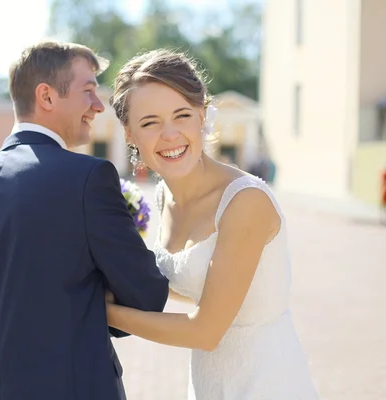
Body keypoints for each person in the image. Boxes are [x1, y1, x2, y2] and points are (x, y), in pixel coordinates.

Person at [0, 41, 169, 400]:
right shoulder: (89, 179)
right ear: (46, 97)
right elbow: (147, 295)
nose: (98, 105)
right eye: (89, 91)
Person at [106, 49, 320, 399]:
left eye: (182, 115)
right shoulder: (163, 196)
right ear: (130, 134)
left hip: (267, 381)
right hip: (210, 381)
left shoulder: (244, 201)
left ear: (202, 116)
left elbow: (206, 331)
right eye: (150, 122)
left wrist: (105, 312)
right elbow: (189, 280)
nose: (171, 134)